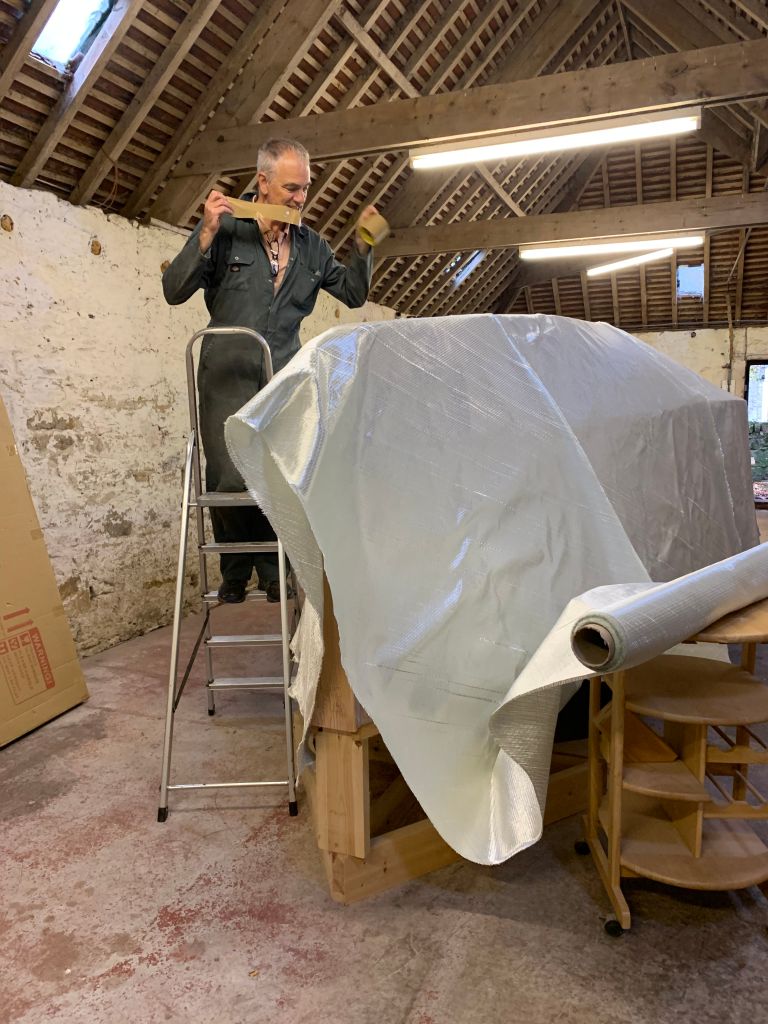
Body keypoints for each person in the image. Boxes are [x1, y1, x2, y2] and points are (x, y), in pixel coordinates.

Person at [163, 138, 377, 603]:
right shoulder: (224, 232)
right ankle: (236, 570)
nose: (301, 198)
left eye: (306, 188)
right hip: (226, 374)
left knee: (277, 475)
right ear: (262, 182)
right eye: (292, 188)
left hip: (283, 378)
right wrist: (203, 234)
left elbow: (355, 294)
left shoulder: (312, 247)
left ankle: (275, 570)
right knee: (227, 476)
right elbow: (174, 290)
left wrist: (363, 246)